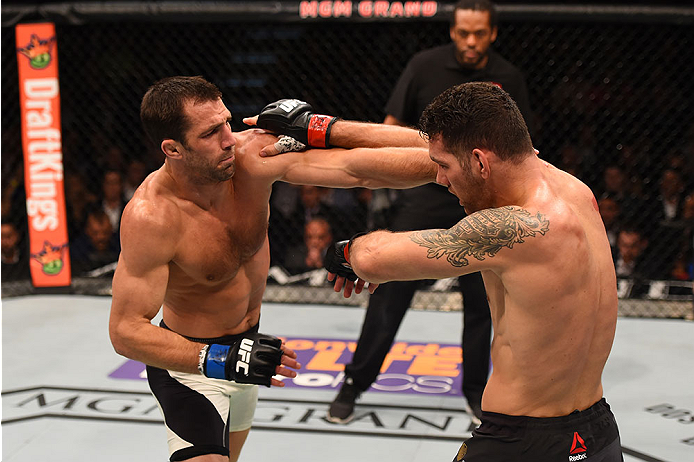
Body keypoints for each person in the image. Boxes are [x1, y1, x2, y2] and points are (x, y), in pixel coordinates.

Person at [251, 83, 623, 461]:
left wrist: (345, 252)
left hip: (524, 442)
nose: (439, 179)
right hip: (598, 433)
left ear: (480, 163)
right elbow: (419, 145)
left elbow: (374, 257)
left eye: (444, 168)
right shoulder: (571, 189)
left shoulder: (518, 229)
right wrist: (321, 128)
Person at [109, 76, 436, 462]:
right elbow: (125, 331)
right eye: (211, 133)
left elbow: (359, 169)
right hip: (190, 368)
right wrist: (217, 358)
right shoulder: (152, 217)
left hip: (250, 355)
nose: (229, 138)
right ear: (173, 149)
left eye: (227, 122)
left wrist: (462, 158)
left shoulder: (250, 159)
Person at [327, 0, 534, 425]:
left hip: (483, 203)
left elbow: (520, 150)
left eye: (479, 33)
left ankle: (477, 393)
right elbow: (389, 125)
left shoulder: (509, 78)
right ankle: (353, 384)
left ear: (493, 33)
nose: (470, 41)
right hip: (427, 192)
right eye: (463, 33)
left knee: (482, 305)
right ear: (452, 31)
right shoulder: (425, 66)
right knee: (389, 294)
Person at [70, 209, 120, 276]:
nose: (101, 237)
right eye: (95, 233)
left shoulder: (120, 247)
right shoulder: (76, 250)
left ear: (111, 230)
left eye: (106, 232)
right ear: (87, 231)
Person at [0, 218, 30, 282]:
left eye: (9, 236)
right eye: (1, 237)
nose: (5, 242)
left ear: (17, 236)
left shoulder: (28, 256)